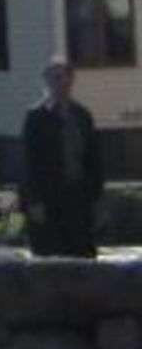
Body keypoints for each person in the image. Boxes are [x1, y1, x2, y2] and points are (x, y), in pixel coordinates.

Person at [22, 55, 107, 258]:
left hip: (78, 196)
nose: (59, 83)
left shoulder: (82, 115)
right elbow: (29, 163)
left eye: (63, 77)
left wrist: (97, 198)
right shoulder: (36, 117)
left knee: (82, 253)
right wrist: (34, 201)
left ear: (71, 79)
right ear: (46, 81)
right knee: (51, 255)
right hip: (48, 197)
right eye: (53, 78)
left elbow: (93, 159)